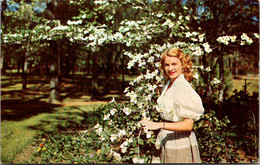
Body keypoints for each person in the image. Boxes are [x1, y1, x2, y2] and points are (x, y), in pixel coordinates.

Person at [140, 47, 204, 163]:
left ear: (182, 65)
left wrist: (159, 125)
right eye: (166, 65)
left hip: (179, 141)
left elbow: (188, 125)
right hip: (166, 139)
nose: (170, 69)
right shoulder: (169, 84)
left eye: (174, 64)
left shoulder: (184, 88)